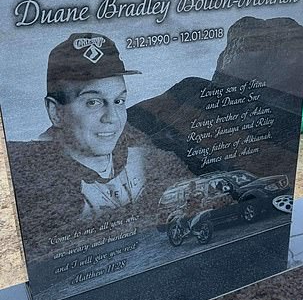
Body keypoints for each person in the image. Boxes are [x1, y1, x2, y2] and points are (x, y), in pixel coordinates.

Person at [8, 32, 190, 240]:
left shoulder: (143, 156)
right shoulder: (34, 185)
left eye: (119, 101)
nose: (112, 118)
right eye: (93, 102)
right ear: (56, 112)